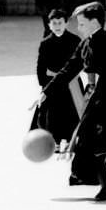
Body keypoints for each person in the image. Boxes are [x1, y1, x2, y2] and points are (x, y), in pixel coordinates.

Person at [38, 1, 106, 202]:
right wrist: (47, 92)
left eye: (82, 24)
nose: (78, 28)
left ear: (94, 22)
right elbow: (69, 69)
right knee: (89, 142)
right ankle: (105, 186)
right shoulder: (84, 44)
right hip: (95, 98)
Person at [31, 8, 82, 150]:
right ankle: (55, 140)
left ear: (66, 23)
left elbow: (80, 63)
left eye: (60, 23)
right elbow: (40, 66)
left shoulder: (75, 40)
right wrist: (43, 85)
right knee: (53, 114)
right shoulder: (45, 43)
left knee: (73, 111)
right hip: (52, 83)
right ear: (49, 25)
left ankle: (73, 139)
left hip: (72, 83)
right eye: (54, 23)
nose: (57, 26)